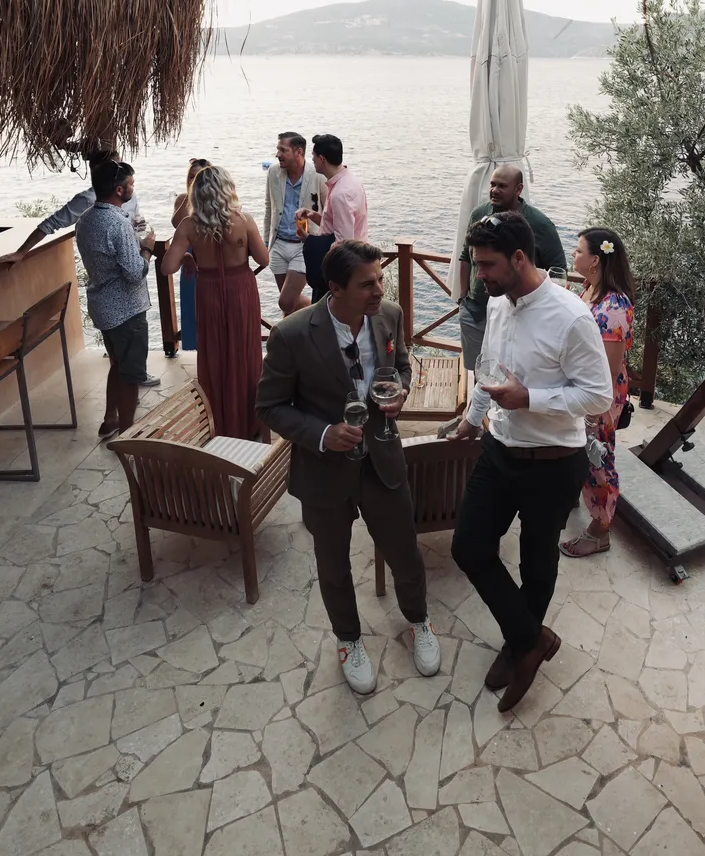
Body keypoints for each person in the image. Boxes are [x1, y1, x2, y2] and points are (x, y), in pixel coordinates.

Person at [256, 239, 440, 693]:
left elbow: (401, 366)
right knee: (334, 565)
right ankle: (349, 640)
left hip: (383, 460)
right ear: (334, 288)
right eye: (366, 284)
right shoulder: (292, 335)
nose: (379, 291)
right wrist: (323, 434)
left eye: (380, 279)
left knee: (406, 553)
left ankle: (418, 621)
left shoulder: (389, 315)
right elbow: (269, 407)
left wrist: (399, 391)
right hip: (324, 472)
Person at [449, 211, 611, 713]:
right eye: (477, 264)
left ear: (519, 258)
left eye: (488, 265)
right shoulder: (499, 302)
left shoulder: (571, 317)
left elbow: (599, 396)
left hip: (553, 463)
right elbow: (488, 368)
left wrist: (531, 399)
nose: (480, 275)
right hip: (500, 449)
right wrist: (471, 419)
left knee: (537, 564)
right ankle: (530, 640)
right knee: (469, 547)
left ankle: (518, 645)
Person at [162, 165, 269, 438]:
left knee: (214, 354)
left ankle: (217, 422)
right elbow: (264, 259)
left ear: (196, 194)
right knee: (244, 352)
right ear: (227, 190)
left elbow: (167, 267)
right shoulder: (244, 220)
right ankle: (248, 422)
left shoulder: (188, 226)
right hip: (241, 289)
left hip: (208, 290)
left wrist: (188, 256)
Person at [559, 227, 636, 558]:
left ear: (595, 260)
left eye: (579, 251)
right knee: (581, 453)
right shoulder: (589, 291)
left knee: (599, 461)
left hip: (600, 398)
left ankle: (600, 531)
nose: (573, 255)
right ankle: (580, 503)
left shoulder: (614, 306)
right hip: (583, 391)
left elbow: (611, 367)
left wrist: (593, 411)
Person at [75, 160, 156, 440]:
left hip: (103, 306)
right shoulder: (117, 224)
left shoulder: (86, 219)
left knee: (117, 366)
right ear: (119, 190)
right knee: (131, 374)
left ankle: (110, 419)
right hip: (126, 310)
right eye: (131, 183)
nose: (133, 187)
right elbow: (134, 273)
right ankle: (127, 434)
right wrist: (147, 249)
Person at [457, 164, 566, 371]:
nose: (494, 190)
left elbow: (558, 271)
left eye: (502, 186)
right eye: (492, 184)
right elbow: (465, 256)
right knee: (479, 373)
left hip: (522, 316)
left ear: (518, 189)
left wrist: (546, 311)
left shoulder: (539, 224)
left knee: (514, 371)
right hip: (475, 313)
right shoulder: (479, 213)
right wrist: (463, 298)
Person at [0, 148, 145, 271]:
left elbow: (137, 220)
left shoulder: (128, 193)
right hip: (109, 269)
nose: (122, 171)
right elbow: (50, 224)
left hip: (133, 259)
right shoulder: (87, 200)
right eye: (116, 167)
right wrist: (21, 252)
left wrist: (141, 239)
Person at [263, 132, 326, 318]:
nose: (278, 154)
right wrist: (266, 243)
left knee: (286, 301)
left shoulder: (318, 175)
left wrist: (320, 243)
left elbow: (328, 213)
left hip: (303, 245)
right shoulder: (273, 172)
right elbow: (269, 207)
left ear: (298, 152)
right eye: (278, 149)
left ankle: (320, 310)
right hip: (279, 243)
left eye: (283, 150)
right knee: (288, 306)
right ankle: (295, 335)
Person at [299, 133, 366, 301]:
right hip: (356, 261)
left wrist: (310, 241)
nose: (312, 160)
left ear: (322, 159)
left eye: (313, 157)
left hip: (340, 272)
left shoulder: (340, 194)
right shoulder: (350, 181)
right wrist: (315, 216)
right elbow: (341, 224)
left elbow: (343, 242)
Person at [171, 159, 211, 351]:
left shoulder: (216, 201)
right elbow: (177, 223)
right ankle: (192, 350)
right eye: (191, 177)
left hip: (209, 259)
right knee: (191, 307)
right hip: (187, 259)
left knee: (210, 309)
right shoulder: (182, 199)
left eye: (198, 177)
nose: (193, 181)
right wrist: (190, 196)